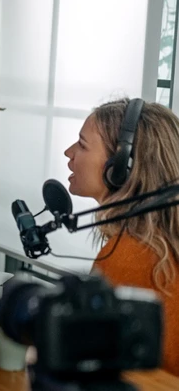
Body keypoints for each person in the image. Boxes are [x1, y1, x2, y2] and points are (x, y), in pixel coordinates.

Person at [63, 97, 179, 376]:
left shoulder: (128, 256)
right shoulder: (160, 246)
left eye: (82, 144)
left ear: (120, 168)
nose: (69, 152)